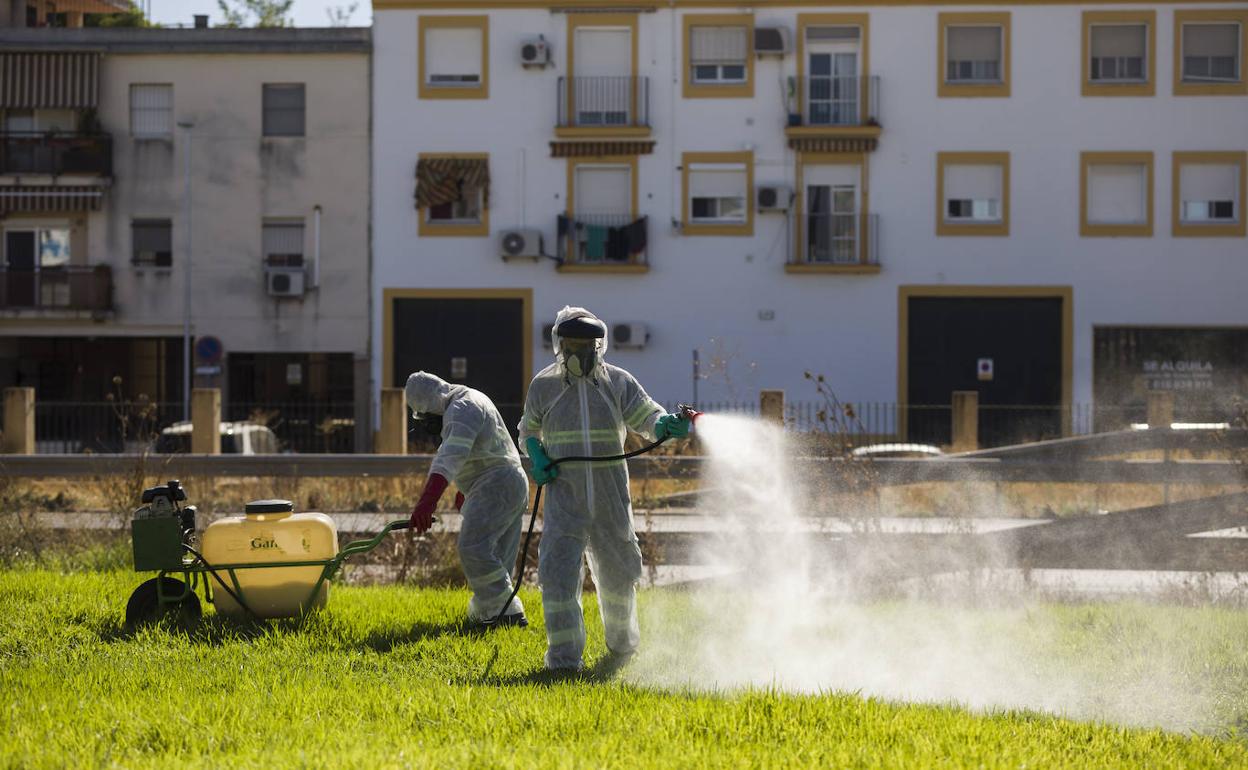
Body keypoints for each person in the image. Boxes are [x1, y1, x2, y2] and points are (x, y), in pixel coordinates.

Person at [519, 306, 693, 671]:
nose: (578, 353)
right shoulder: (544, 385)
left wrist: (665, 425)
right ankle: (564, 660)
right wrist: (536, 454)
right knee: (558, 578)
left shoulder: (617, 382)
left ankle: (622, 648)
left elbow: (646, 415)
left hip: (610, 497)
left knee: (617, 575)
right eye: (571, 344)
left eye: (586, 345)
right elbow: (528, 429)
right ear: (559, 345)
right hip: (565, 499)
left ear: (598, 346)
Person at [406, 371, 529, 627]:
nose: (429, 425)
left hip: (497, 486)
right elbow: (482, 450)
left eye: (427, 417)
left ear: (435, 402)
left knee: (473, 548)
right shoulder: (467, 402)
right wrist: (465, 489)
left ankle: (508, 612)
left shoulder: (462, 408)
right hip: (504, 485)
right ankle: (491, 613)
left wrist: (427, 502)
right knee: (497, 555)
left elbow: (452, 455)